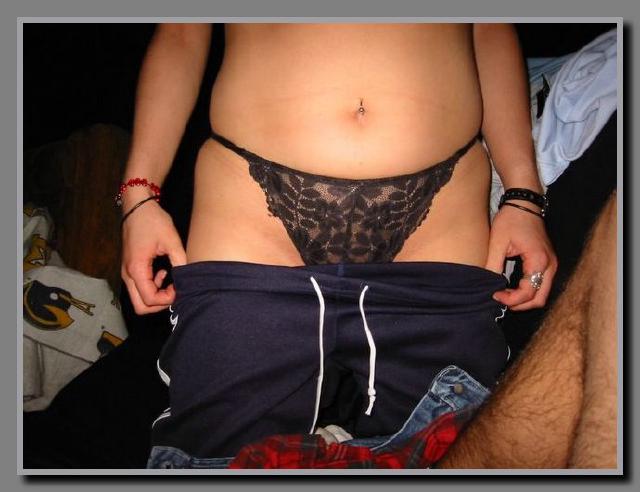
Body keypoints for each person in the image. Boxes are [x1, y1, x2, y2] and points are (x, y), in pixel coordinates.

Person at [118, 23, 614, 468]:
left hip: (439, 221)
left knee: (468, 449)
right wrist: (139, 195)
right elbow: (181, 31)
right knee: (214, 452)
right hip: (251, 209)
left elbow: (488, 27)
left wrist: (524, 195)